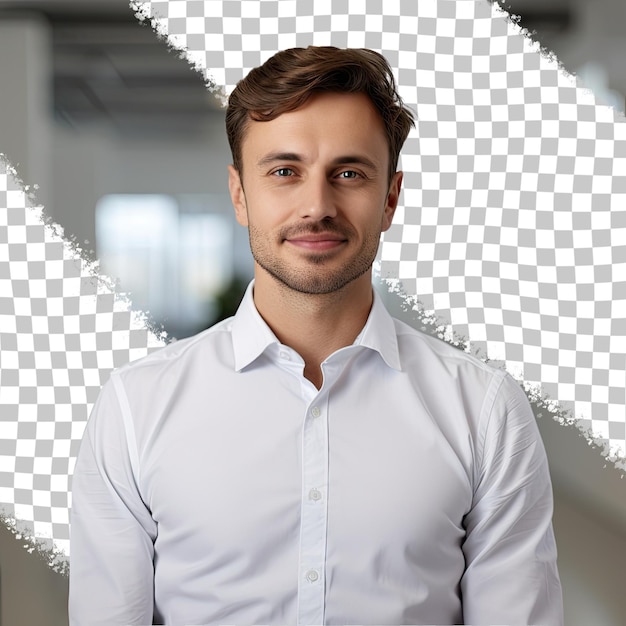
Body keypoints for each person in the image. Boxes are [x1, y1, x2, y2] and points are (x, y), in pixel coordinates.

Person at [69, 46, 563, 625]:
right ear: (239, 194)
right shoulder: (136, 406)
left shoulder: (483, 409)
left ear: (391, 198)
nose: (317, 206)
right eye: (284, 172)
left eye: (349, 173)